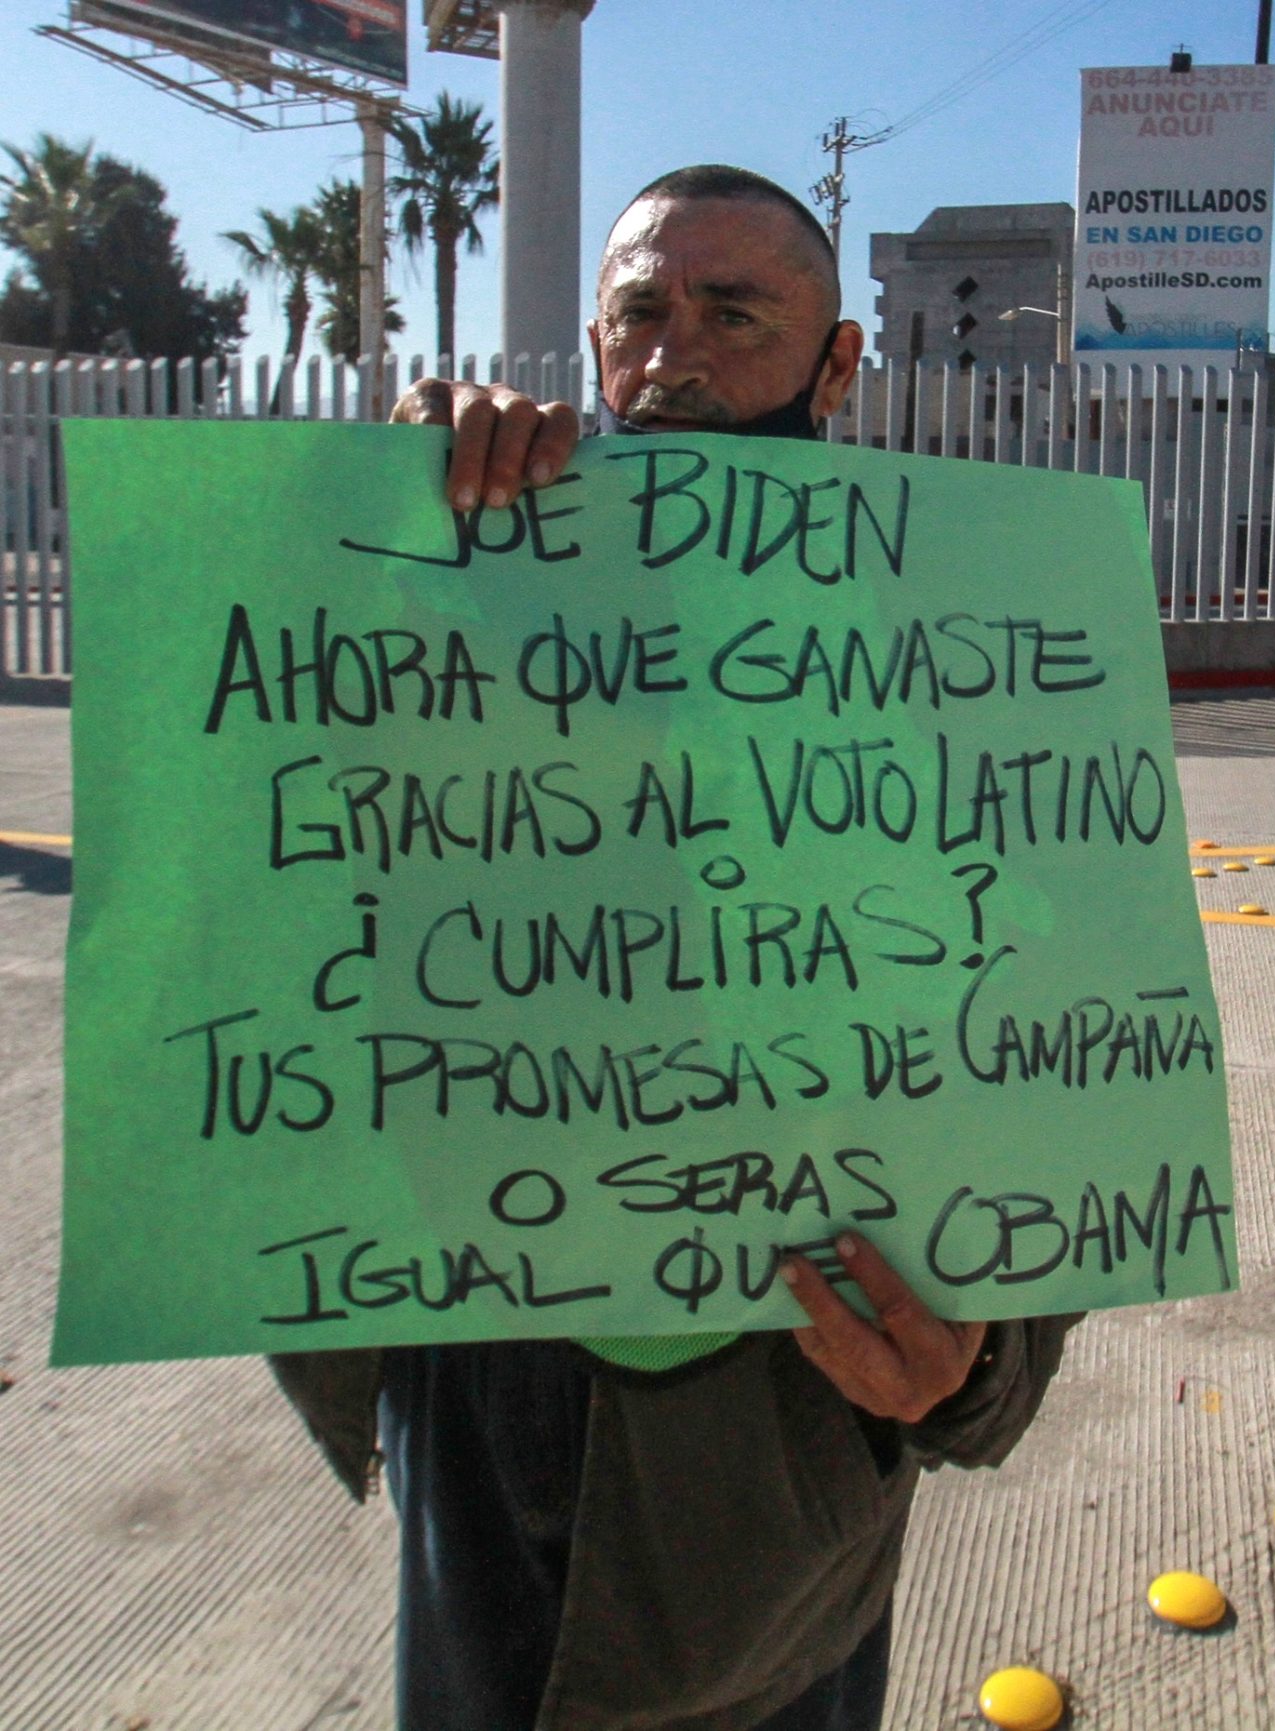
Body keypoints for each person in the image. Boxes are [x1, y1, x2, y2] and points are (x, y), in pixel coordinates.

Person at [268, 166, 1078, 1731]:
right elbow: (278, 813)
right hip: (496, 1345)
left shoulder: (963, 636)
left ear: (838, 365)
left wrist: (982, 1363)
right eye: (642, 311)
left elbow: (1056, 1017)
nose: (677, 354)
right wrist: (366, 509)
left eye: (734, 312)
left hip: (797, 1385)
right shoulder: (479, 563)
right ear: (594, 339)